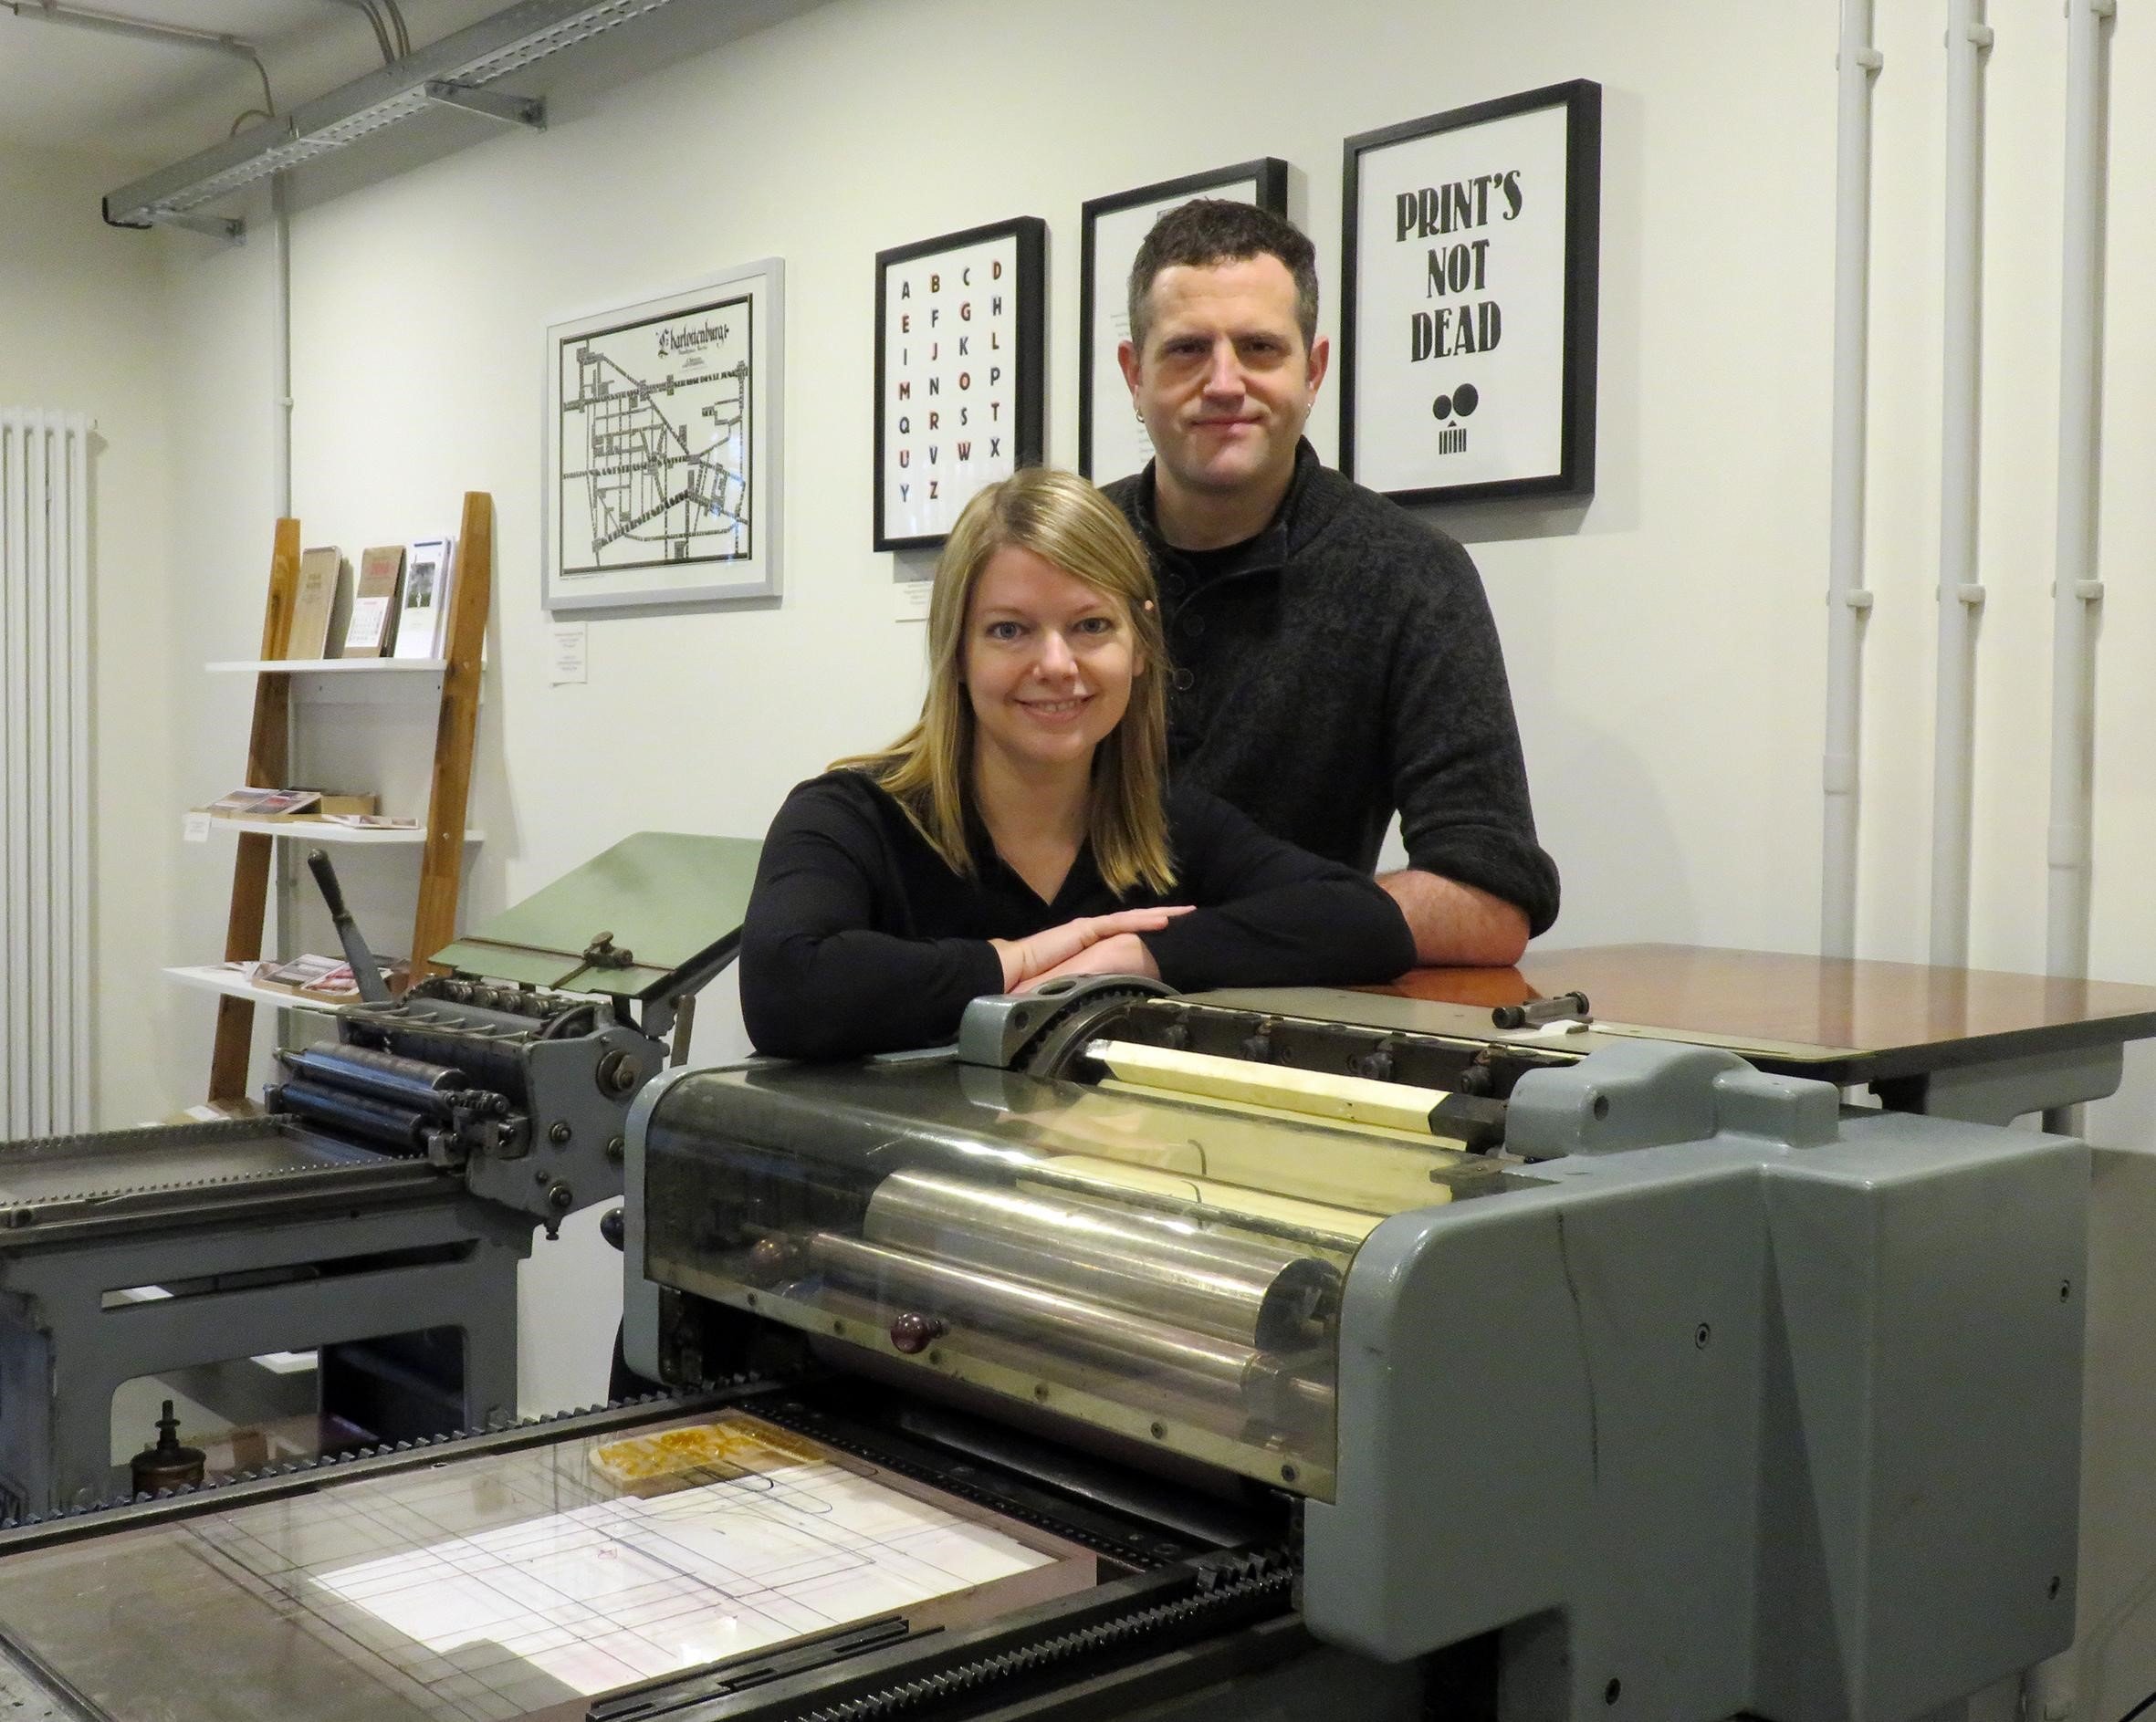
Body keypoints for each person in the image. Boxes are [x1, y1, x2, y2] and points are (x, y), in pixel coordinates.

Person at [738, 465, 1417, 1060]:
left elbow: (1368, 924)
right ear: (958, 654)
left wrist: (1137, 956)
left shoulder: (1170, 826)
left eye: (1091, 626)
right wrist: (1023, 959)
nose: (1057, 666)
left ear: (1141, 644)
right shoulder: (846, 817)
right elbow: (787, 987)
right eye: (1010, 630)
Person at [1108, 199, 1560, 967]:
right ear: (1134, 374)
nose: (1225, 383)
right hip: (1040, 1010)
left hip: (1290, 1032)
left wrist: (1173, 949)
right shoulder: (1057, 561)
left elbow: (1490, 900)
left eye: (1259, 348)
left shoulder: (1412, 576)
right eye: (1187, 350)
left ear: (1312, 370)